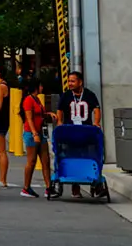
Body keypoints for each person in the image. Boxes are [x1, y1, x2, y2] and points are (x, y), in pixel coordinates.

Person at [56, 70, 101, 199]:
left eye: (73, 81)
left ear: (80, 82)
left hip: (86, 132)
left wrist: (97, 122)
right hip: (70, 132)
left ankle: (95, 185)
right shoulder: (65, 96)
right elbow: (60, 110)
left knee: (90, 157)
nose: (70, 83)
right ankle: (75, 188)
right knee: (72, 158)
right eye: (69, 81)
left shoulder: (89, 95)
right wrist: (59, 122)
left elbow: (97, 109)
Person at [20, 77, 55, 199]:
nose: (42, 88)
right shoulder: (28, 100)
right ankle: (26, 187)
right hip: (32, 133)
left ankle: (49, 187)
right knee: (32, 160)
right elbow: (29, 118)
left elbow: (39, 114)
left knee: (45, 159)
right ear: (36, 87)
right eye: (40, 86)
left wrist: (48, 114)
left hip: (41, 132)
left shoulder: (37, 100)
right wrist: (34, 133)